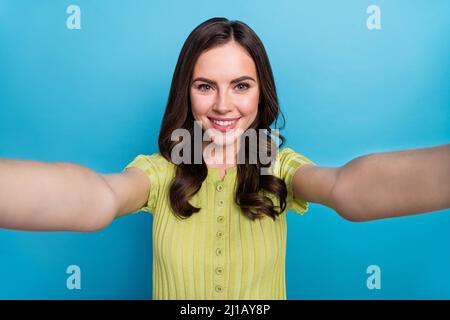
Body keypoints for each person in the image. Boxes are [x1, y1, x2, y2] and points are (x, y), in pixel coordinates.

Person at [0, 17, 449, 300]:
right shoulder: (161, 171)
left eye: (240, 85)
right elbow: (96, 198)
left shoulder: (279, 167)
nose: (223, 106)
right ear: (187, 92)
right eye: (205, 86)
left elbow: (349, 189)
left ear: (260, 91)